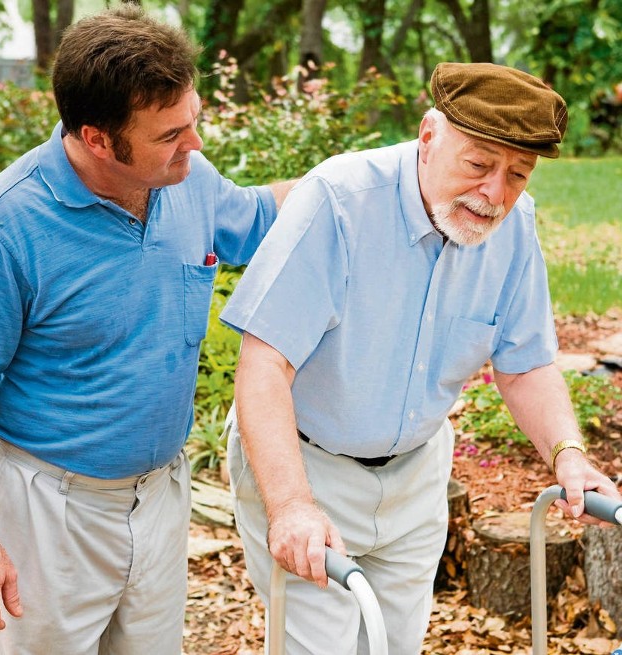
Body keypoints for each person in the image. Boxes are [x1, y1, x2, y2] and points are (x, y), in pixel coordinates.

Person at [219, 62, 621, 654]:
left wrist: (569, 454)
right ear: (428, 136)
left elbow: (525, 363)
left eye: (518, 174)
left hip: (416, 474)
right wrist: (292, 506)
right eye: (479, 165)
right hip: (308, 468)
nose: (496, 194)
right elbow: (262, 367)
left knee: (395, 647)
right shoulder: (338, 200)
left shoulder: (515, 224)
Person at [0, 5, 295, 654]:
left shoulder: (190, 179)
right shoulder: (5, 225)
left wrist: (382, 180)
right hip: (48, 512)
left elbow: (263, 216)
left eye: (195, 120)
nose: (196, 145)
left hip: (161, 497)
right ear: (97, 139)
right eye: (170, 134)